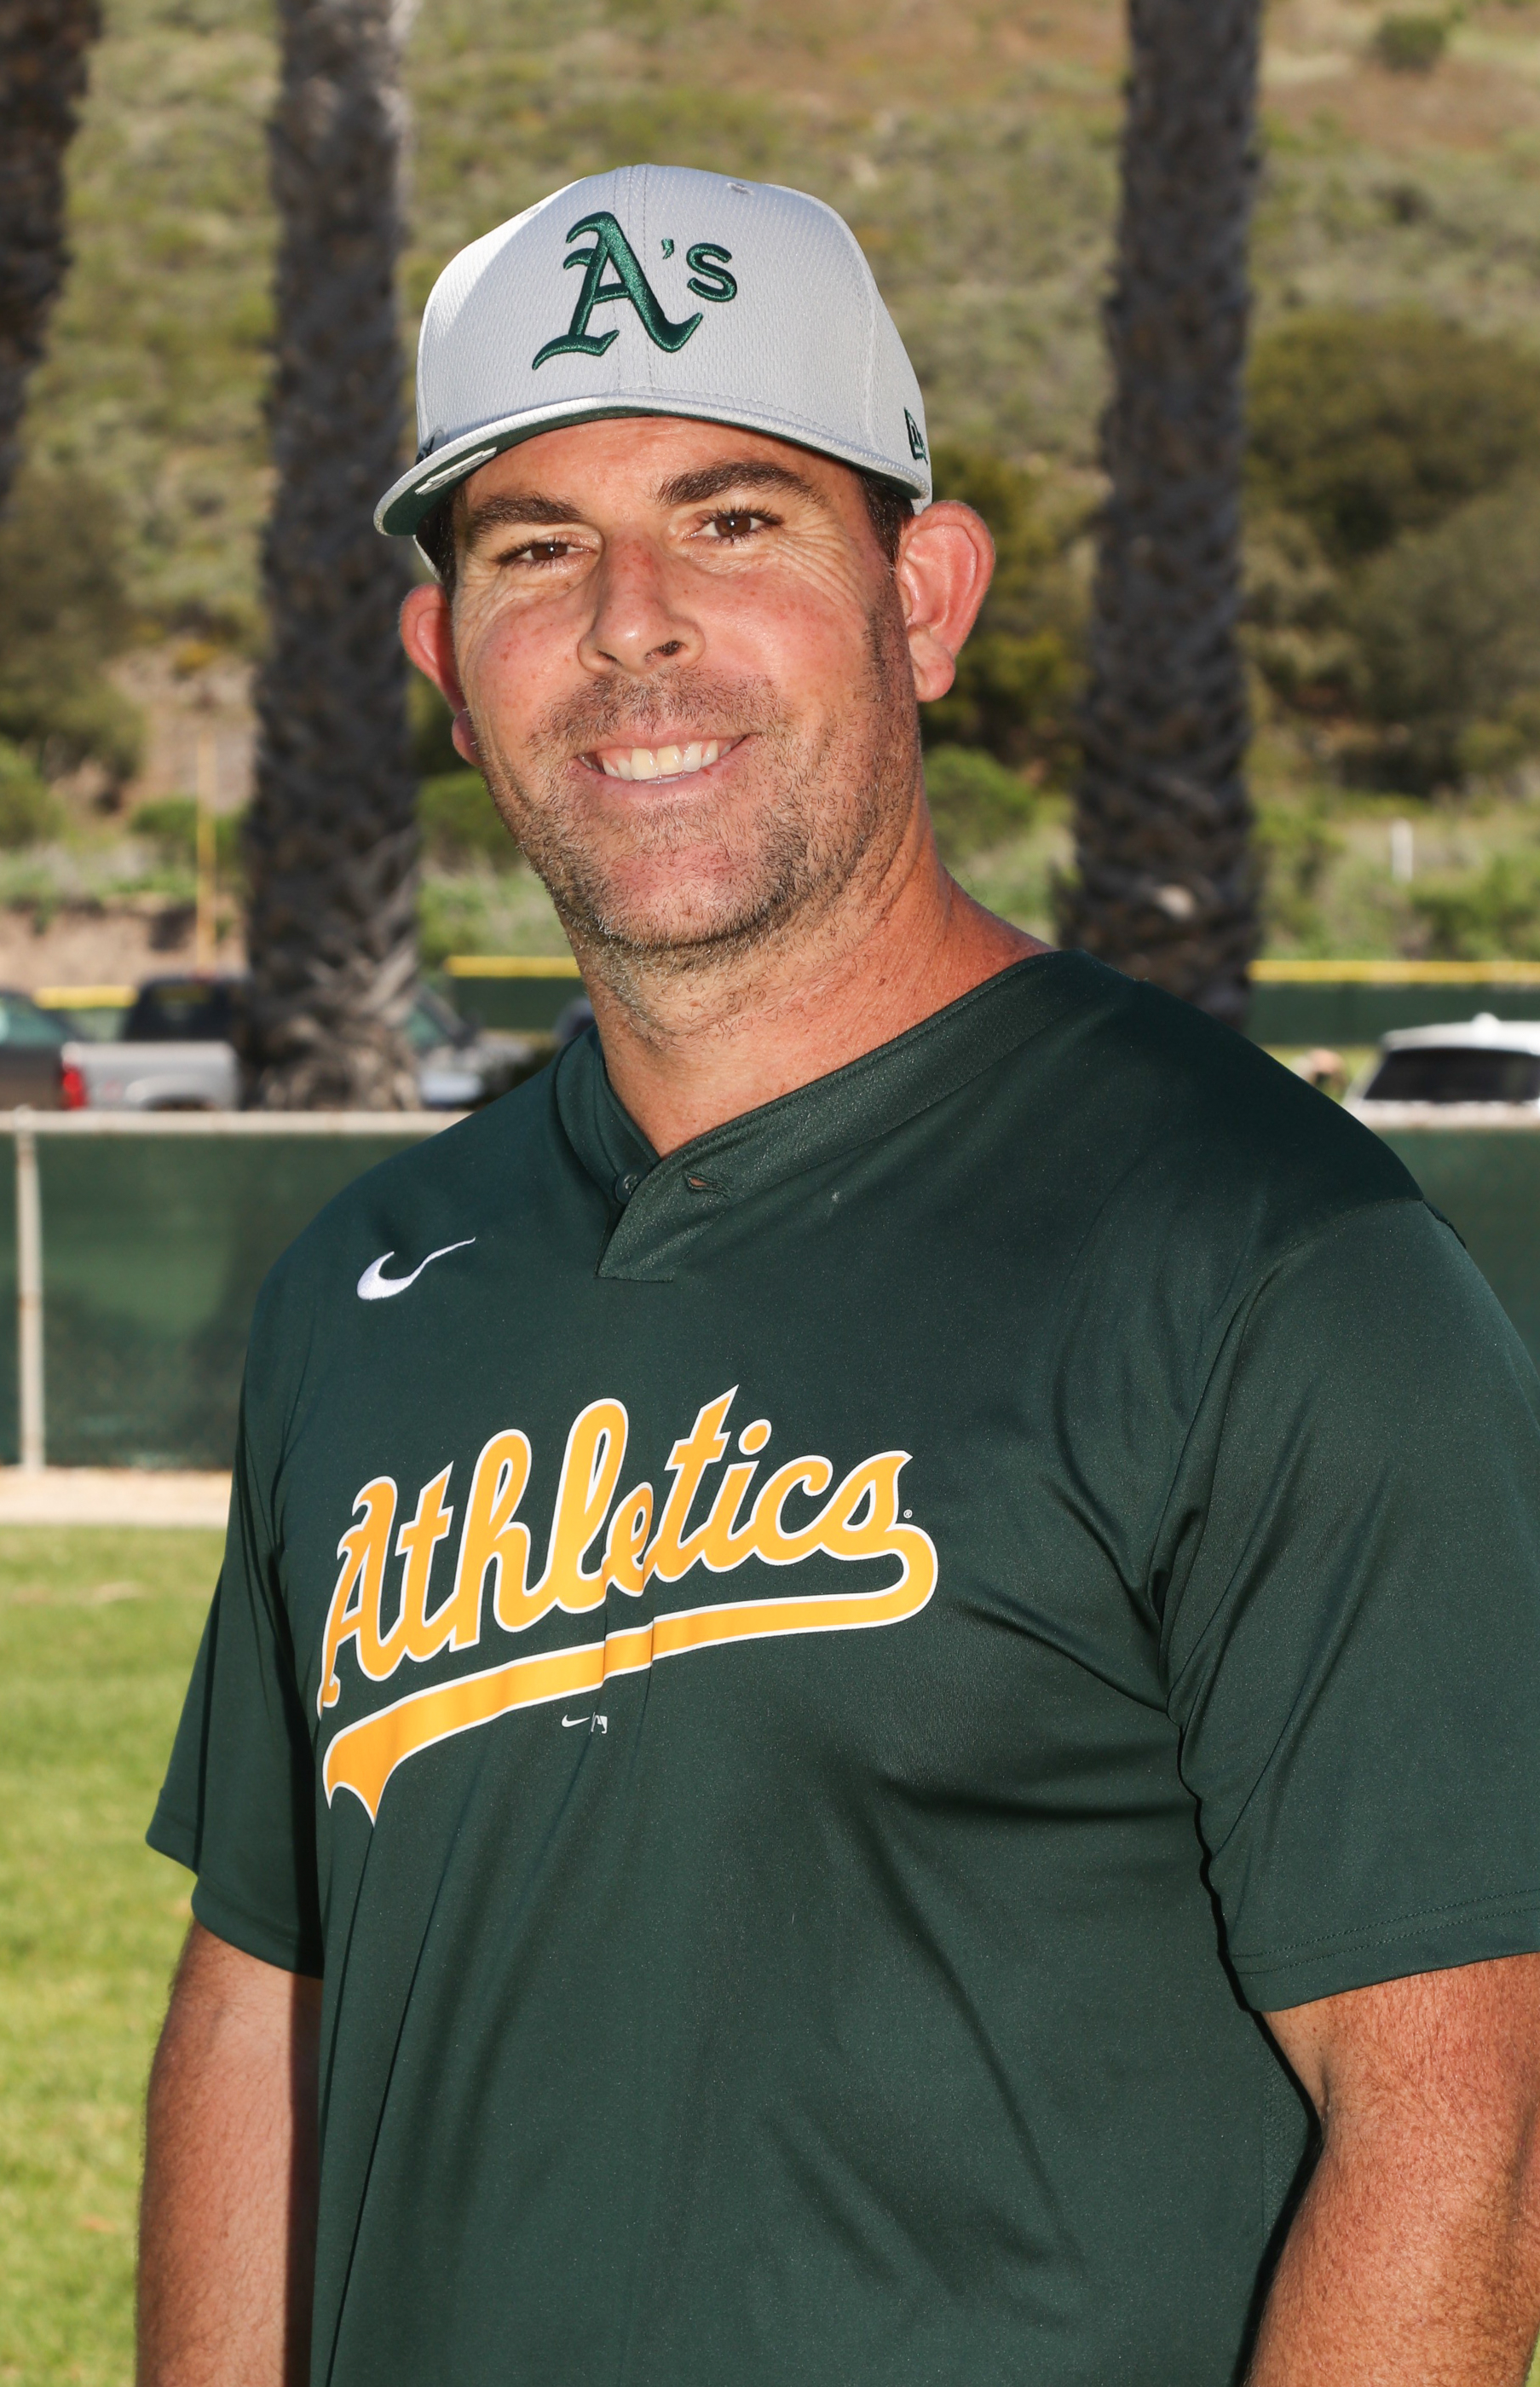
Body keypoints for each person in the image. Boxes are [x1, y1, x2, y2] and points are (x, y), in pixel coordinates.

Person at [137, 165, 1540, 2387]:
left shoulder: (1276, 1268)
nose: (632, 626)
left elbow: (1466, 2135)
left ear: (927, 596)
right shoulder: (367, 1287)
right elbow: (262, 2001)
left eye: (735, 520)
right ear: (444, 665)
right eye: (534, 550)